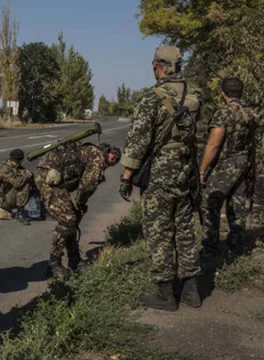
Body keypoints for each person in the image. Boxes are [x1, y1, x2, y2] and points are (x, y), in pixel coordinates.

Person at [119, 46, 202, 311]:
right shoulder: (194, 94)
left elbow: (138, 141)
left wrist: (126, 176)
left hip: (161, 171)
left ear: (159, 67)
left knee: (159, 230)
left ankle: (166, 294)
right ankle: (192, 291)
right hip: (186, 167)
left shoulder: (152, 98)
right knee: (185, 227)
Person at [35, 141, 120, 278]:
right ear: (108, 153)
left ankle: (74, 260)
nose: (112, 160)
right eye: (112, 158)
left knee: (71, 218)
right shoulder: (98, 159)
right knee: (68, 219)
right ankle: (53, 264)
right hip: (48, 176)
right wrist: (81, 202)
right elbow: (87, 185)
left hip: (52, 173)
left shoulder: (93, 151)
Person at [199, 78, 257, 256]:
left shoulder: (223, 113)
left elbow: (214, 145)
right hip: (246, 162)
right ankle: (237, 244)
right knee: (237, 203)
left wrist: (202, 170)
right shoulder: (251, 112)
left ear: (223, 93)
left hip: (228, 163)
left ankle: (210, 247)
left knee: (209, 202)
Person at [0, 148, 33, 225]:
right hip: (1, 198)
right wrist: (27, 175)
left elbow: (22, 172)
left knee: (27, 180)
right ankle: (19, 213)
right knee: (25, 185)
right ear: (20, 160)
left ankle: (7, 210)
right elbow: (17, 183)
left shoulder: (12, 166)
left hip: (5, 195)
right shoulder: (5, 169)